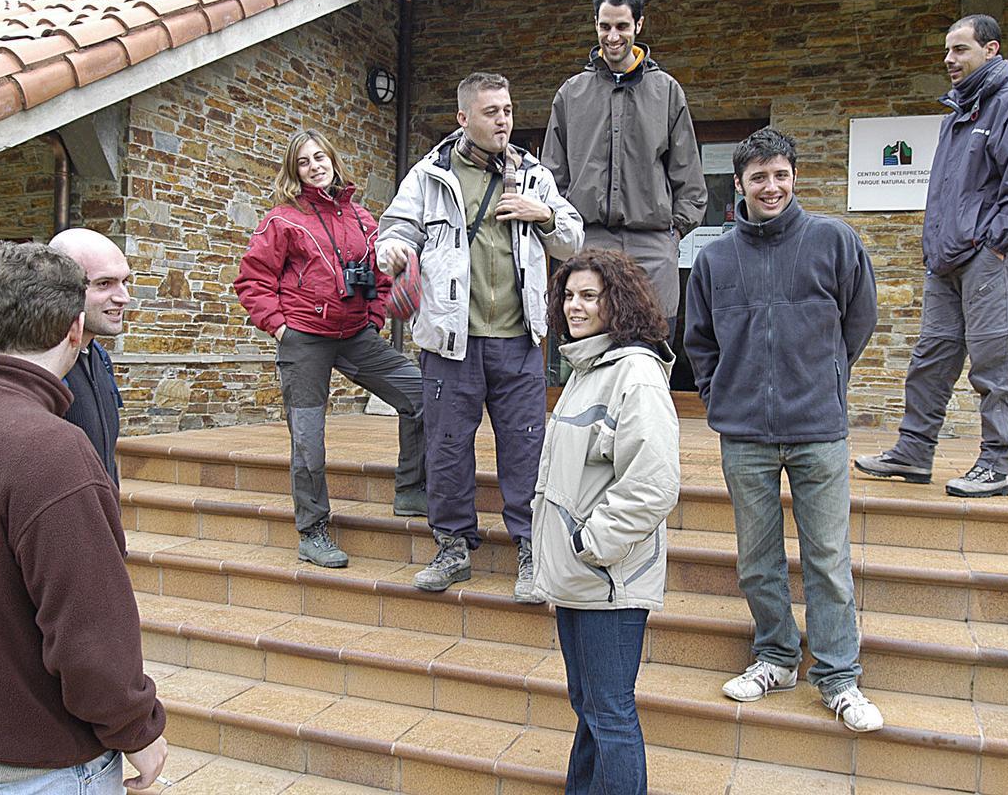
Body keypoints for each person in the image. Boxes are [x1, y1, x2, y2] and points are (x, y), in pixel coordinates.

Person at [0, 241, 167, 793]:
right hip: (42, 764)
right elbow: (88, 630)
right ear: (77, 329)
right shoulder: (53, 451)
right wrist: (138, 730)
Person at [684, 128, 882, 732]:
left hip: (819, 429)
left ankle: (838, 676)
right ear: (739, 185)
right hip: (743, 434)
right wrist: (723, 395)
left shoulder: (833, 241)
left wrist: (826, 380)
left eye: (781, 176)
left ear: (794, 178)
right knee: (757, 558)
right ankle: (775, 656)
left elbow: (860, 318)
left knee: (827, 556)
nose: (771, 187)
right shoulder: (715, 259)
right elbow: (699, 342)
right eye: (759, 178)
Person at [376, 72, 584, 601]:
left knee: (526, 450)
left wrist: (544, 215)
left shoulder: (535, 175)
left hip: (519, 341)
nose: (503, 120)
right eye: (491, 111)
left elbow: (572, 238)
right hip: (451, 341)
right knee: (446, 448)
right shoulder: (430, 174)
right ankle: (452, 547)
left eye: (508, 110)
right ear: (463, 118)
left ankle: (531, 550)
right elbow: (396, 227)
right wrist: (393, 252)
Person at [855, 14, 1008, 498]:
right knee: (931, 358)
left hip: (989, 258)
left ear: (991, 50)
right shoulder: (956, 116)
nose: (949, 60)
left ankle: (998, 463)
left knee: (993, 359)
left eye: (960, 50)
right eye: (947, 51)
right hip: (945, 261)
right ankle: (914, 451)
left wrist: (995, 245)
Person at [235, 128, 426, 569]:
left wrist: (376, 318)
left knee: (420, 394)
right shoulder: (282, 220)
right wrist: (281, 328)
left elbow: (380, 276)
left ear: (333, 161)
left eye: (320, 157)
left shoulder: (361, 218)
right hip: (304, 337)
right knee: (307, 438)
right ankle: (313, 530)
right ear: (294, 171)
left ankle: (411, 490)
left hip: (356, 333)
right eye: (304, 162)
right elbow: (252, 280)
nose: (315, 166)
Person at [532, 248, 679, 794]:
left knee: (611, 713)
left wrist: (590, 544)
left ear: (616, 302)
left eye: (589, 295)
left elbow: (654, 483)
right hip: (582, 577)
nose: (575, 305)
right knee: (591, 705)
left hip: (608, 578)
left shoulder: (634, 374)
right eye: (569, 295)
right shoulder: (588, 368)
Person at [542, 0, 706, 334]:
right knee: (589, 354)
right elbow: (552, 179)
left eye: (622, 26)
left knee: (651, 351)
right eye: (604, 26)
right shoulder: (571, 94)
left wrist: (672, 235)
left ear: (639, 26)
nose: (612, 36)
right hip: (588, 243)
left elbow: (689, 180)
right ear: (595, 25)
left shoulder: (667, 92)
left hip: (652, 247)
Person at [49, 228, 130, 486]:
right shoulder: (41, 367)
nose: (123, 298)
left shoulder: (99, 358)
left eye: (124, 282)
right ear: (60, 288)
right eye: (104, 284)